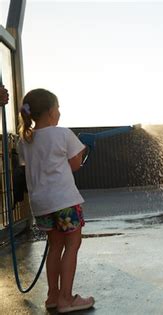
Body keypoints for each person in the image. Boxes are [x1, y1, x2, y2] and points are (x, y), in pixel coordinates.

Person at [17, 88, 95, 313]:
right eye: (58, 108)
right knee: (72, 245)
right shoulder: (63, 134)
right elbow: (74, 165)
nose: (59, 112)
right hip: (65, 202)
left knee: (55, 246)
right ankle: (66, 299)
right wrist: (82, 151)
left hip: (41, 205)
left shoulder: (25, 141)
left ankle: (52, 296)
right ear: (51, 112)